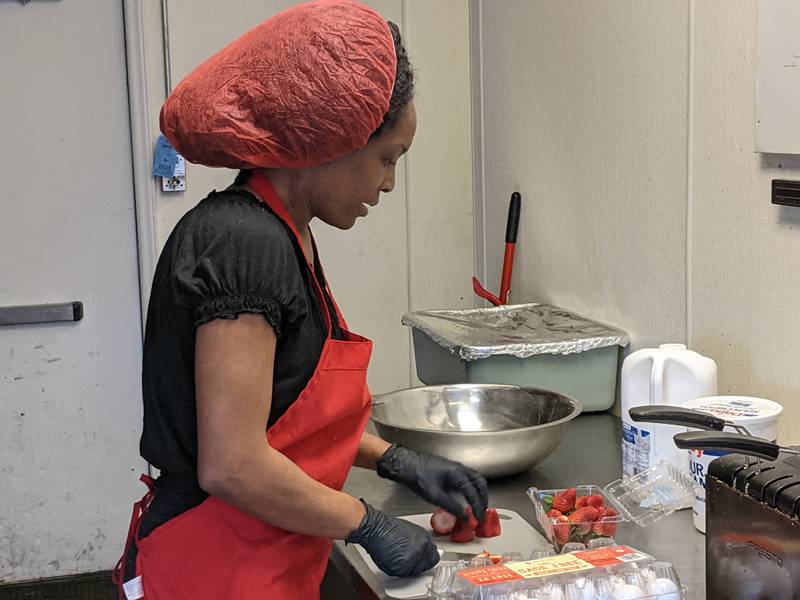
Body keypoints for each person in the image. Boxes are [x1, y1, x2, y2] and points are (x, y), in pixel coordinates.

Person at [113, 2, 488, 599]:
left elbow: (282, 421)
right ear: (332, 138)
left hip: (261, 554)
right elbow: (233, 463)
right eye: (387, 158)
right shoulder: (244, 243)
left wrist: (395, 460)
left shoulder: (285, 232)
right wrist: (365, 523)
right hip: (213, 563)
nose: (388, 183)